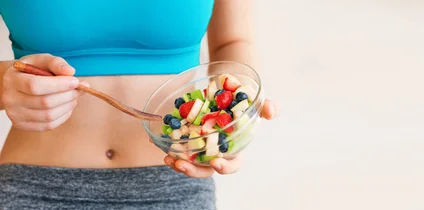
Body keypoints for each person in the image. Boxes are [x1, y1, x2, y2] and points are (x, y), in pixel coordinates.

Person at [0, 1, 278, 209]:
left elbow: (233, 41)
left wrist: (237, 111)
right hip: (33, 188)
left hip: (174, 188)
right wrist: (4, 85)